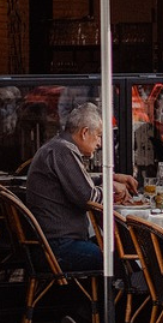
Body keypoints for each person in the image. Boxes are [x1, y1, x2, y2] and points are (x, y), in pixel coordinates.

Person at [25, 103, 138, 272]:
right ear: (85, 132)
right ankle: (131, 297)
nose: (100, 143)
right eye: (99, 135)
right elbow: (87, 197)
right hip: (58, 247)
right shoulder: (63, 151)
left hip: (53, 242)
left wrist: (111, 177)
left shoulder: (58, 146)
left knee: (122, 250)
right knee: (124, 259)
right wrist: (111, 187)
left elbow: (77, 181)